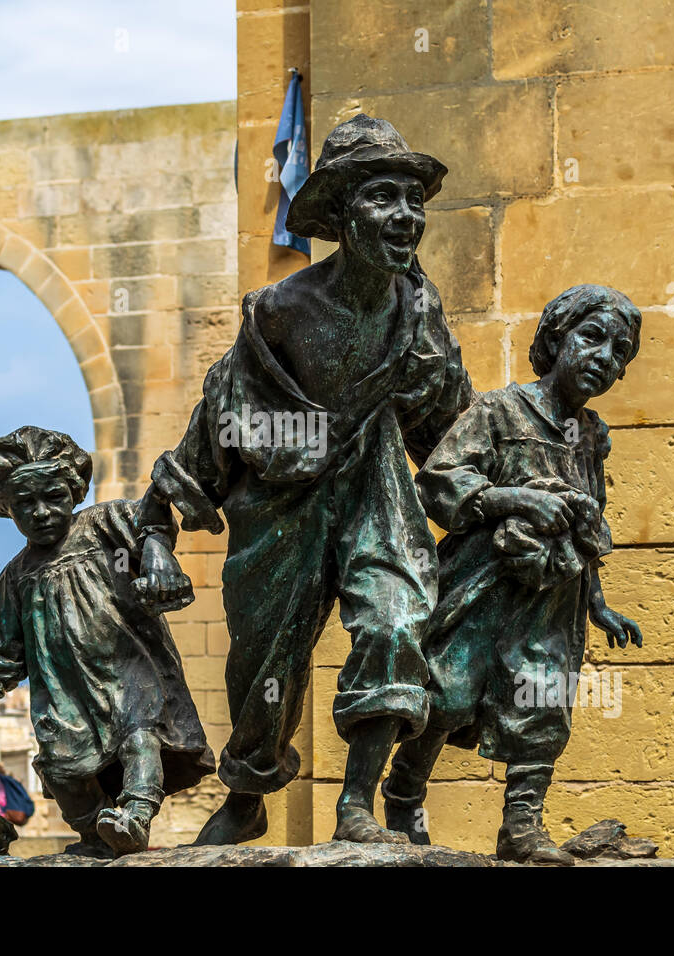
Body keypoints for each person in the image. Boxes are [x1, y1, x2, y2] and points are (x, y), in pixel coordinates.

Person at [133, 115, 473, 845]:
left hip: (374, 488)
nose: (407, 216)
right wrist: (156, 528)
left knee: (394, 622)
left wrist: (512, 488)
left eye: (416, 200)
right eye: (386, 197)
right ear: (343, 212)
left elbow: (448, 427)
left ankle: (356, 804)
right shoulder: (280, 312)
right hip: (282, 504)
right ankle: (249, 792)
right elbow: (221, 417)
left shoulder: (419, 310)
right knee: (266, 674)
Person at [381, 284, 646, 864]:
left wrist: (599, 603)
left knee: (544, 702)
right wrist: (515, 501)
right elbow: (438, 481)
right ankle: (403, 799)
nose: (604, 357)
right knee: (447, 695)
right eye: (592, 337)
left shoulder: (591, 435)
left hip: (555, 595)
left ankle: (521, 829)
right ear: (557, 339)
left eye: (619, 351)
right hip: (481, 584)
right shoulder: (499, 410)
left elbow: (588, 522)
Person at [0, 428, 216, 858]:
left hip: (128, 669)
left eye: (53, 496)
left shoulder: (105, 525)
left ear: (73, 491)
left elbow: (153, 518)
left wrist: (159, 556)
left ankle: (136, 815)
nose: (42, 512)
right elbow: (4, 650)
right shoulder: (16, 576)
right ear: (7, 509)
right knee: (62, 768)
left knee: (139, 732)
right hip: (63, 695)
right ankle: (94, 834)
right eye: (25, 504)